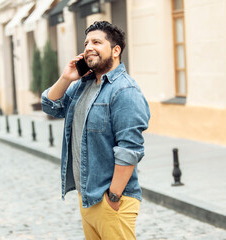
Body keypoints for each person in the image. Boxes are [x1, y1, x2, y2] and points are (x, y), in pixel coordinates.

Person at [41, 21, 150, 239]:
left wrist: (114, 196)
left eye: (97, 42)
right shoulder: (83, 85)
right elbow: (51, 106)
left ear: (116, 50)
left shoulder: (125, 91)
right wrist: (66, 77)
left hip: (111, 200)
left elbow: (130, 150)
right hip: (88, 198)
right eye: (86, 42)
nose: (88, 46)